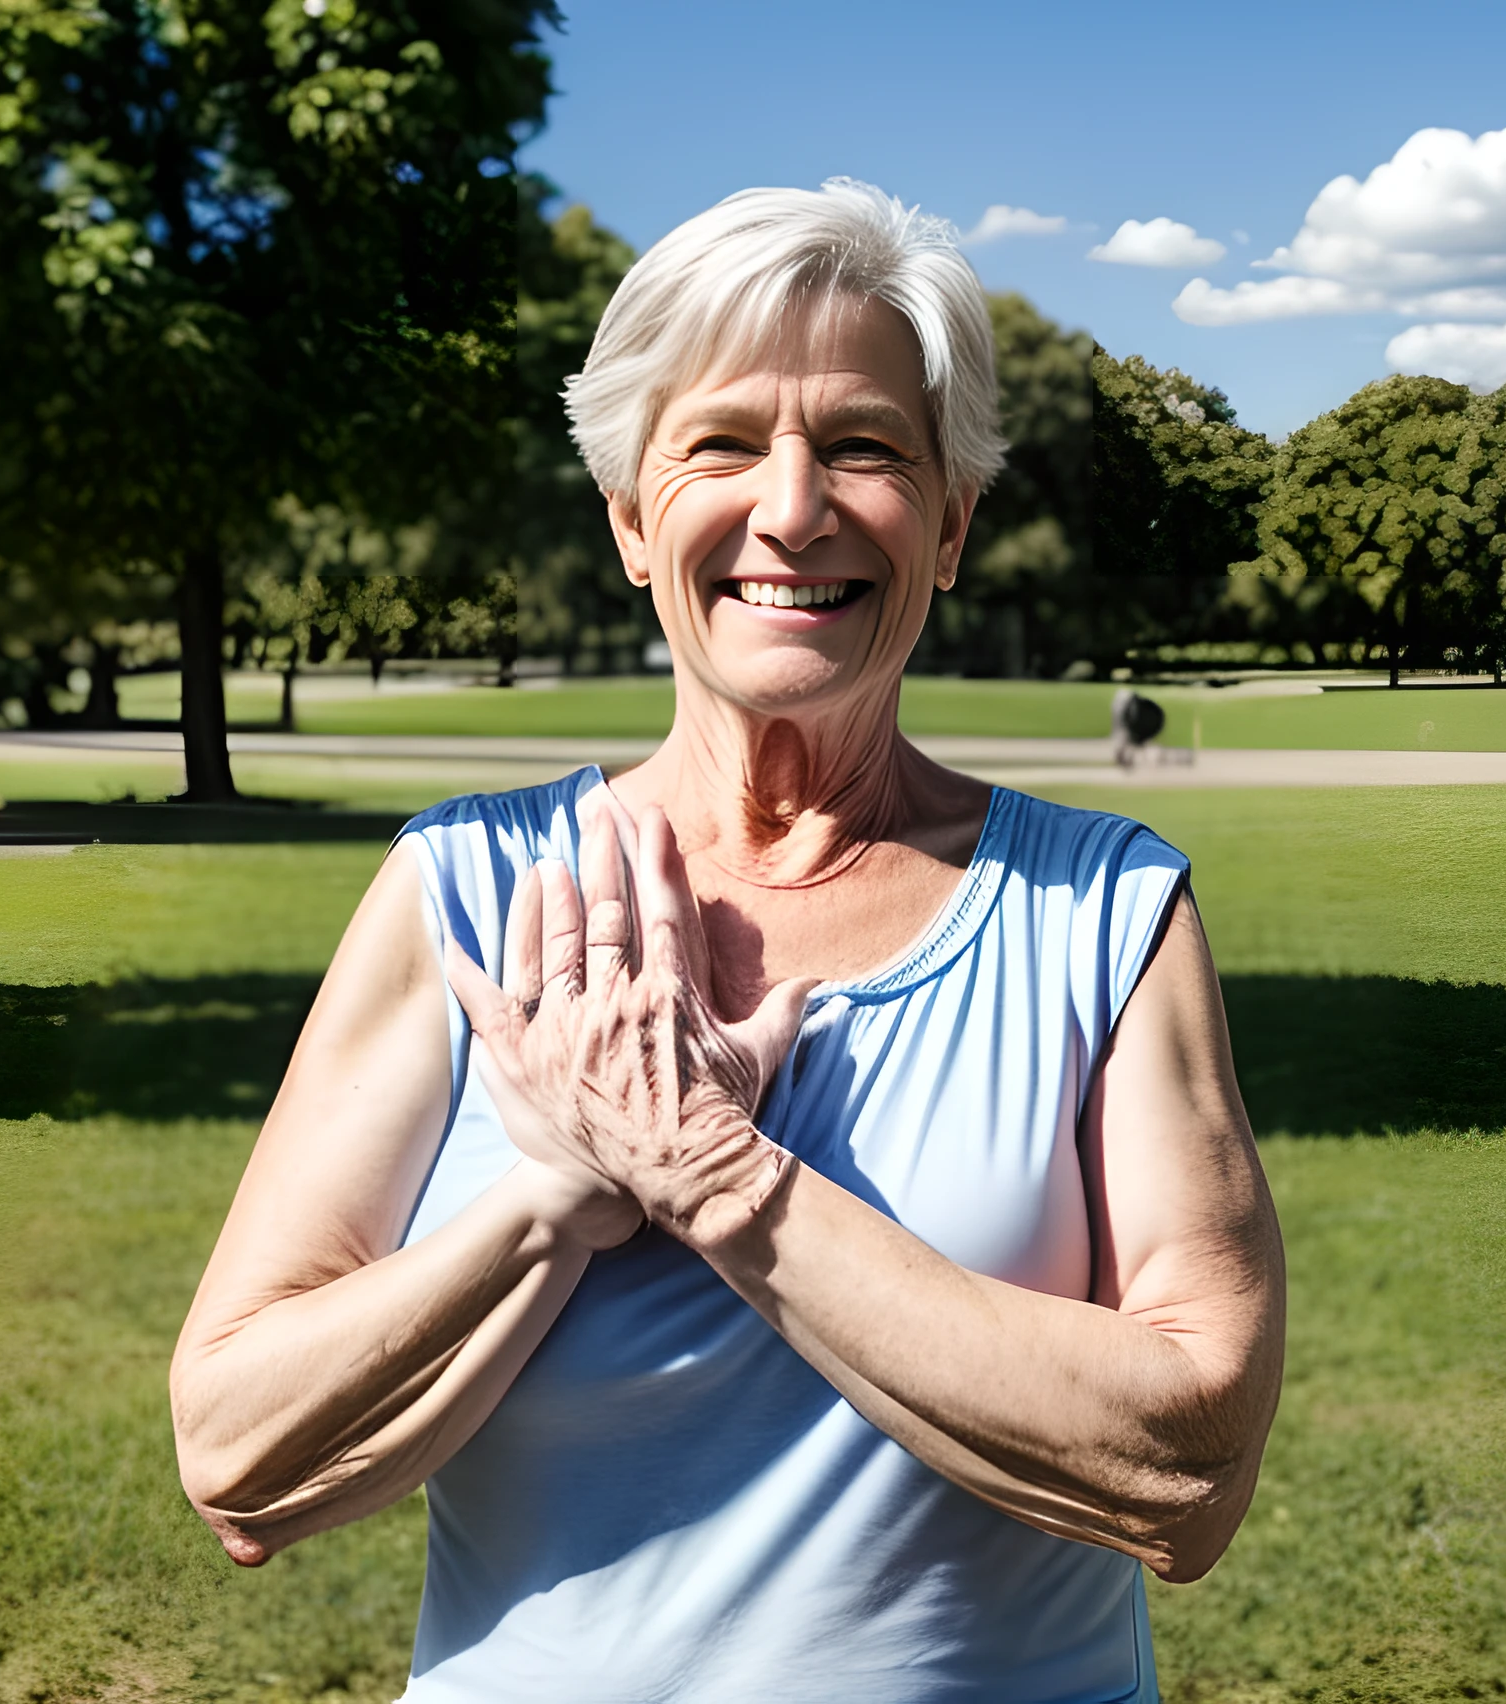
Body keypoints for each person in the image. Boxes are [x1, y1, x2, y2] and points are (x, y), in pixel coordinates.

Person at [169, 180, 1286, 1701]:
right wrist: (556, 1197)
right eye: (722, 442)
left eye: (866, 447)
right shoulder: (462, 891)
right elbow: (239, 1455)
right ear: (632, 518)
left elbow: (1187, 1472)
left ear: (951, 525)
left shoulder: (1103, 914)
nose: (792, 507)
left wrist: (709, 1171)